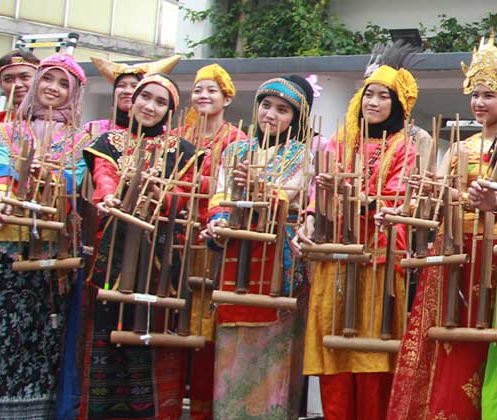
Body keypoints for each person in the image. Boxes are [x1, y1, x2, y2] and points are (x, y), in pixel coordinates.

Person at [387, 37, 497, 420]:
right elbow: (437, 201)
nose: (480, 103)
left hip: (495, 255)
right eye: (475, 94)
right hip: (454, 252)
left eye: (490, 94)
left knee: (482, 347)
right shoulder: (460, 147)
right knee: (445, 343)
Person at [296, 45, 428, 420]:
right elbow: (317, 192)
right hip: (334, 257)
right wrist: (310, 217)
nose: (373, 101)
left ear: (397, 103)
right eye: (368, 93)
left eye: (382, 95)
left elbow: (398, 197)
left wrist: (357, 198)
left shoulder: (405, 145)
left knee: (373, 356)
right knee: (333, 353)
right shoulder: (341, 141)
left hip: (378, 261)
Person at [0, 52, 89, 420]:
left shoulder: (79, 139)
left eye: (64, 84)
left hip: (52, 254)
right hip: (7, 249)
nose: (53, 89)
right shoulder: (8, 130)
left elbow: (75, 179)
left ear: (74, 92)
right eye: (48, 79)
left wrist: (50, 179)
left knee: (47, 341)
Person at [82, 73, 200, 420]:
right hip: (114, 251)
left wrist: (159, 197)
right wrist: (110, 195)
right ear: (131, 101)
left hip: (159, 257)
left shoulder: (184, 151)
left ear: (170, 111)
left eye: (160, 102)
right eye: (144, 97)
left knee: (154, 337)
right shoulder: (108, 142)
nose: (150, 106)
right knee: (106, 332)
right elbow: (105, 176)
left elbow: (185, 195)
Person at [196, 75, 314, 419]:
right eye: (265, 105)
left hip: (277, 259)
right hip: (235, 255)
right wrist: (217, 220)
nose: (270, 115)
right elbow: (219, 195)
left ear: (297, 118)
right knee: (231, 353)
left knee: (277, 359)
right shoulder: (235, 150)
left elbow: (287, 194)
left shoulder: (301, 155)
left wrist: (257, 187)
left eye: (282, 110)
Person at [167, 63, 246, 420]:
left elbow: (231, 189)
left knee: (208, 327)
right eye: (198, 89)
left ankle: (203, 410)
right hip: (176, 238)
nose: (203, 96)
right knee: (173, 318)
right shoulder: (176, 136)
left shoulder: (237, 140)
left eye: (212, 90)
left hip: (214, 239)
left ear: (227, 98)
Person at [84, 56, 180, 139]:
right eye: (121, 85)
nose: (127, 91)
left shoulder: (167, 136)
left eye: (134, 86)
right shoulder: (94, 128)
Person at [0, 50, 39, 124]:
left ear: (39, 79)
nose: (17, 84)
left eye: (24, 77)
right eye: (8, 79)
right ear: (1, 84)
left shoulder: (57, 122)